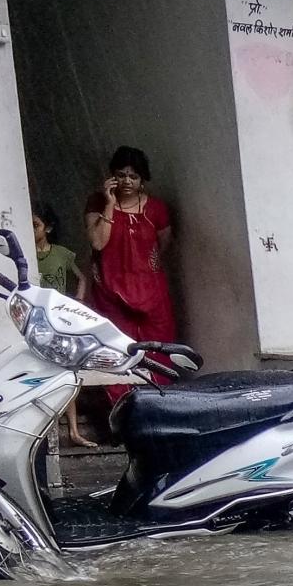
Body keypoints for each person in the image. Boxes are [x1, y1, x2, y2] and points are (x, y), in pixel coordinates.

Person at [87, 147, 176, 402]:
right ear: (112, 176)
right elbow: (97, 243)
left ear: (142, 179)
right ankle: (121, 411)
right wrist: (110, 204)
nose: (127, 181)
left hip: (151, 294)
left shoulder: (156, 209)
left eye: (133, 176)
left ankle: (157, 406)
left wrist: (147, 267)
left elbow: (164, 243)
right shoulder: (98, 202)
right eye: (121, 175)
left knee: (157, 351)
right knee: (115, 350)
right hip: (110, 294)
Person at [32, 203, 96, 447]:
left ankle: (74, 431)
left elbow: (82, 277)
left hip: (59, 320)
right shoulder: (26, 254)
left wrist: (78, 303)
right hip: (37, 320)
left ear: (48, 228)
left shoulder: (61, 253)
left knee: (68, 372)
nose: (32, 230)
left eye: (36, 225)